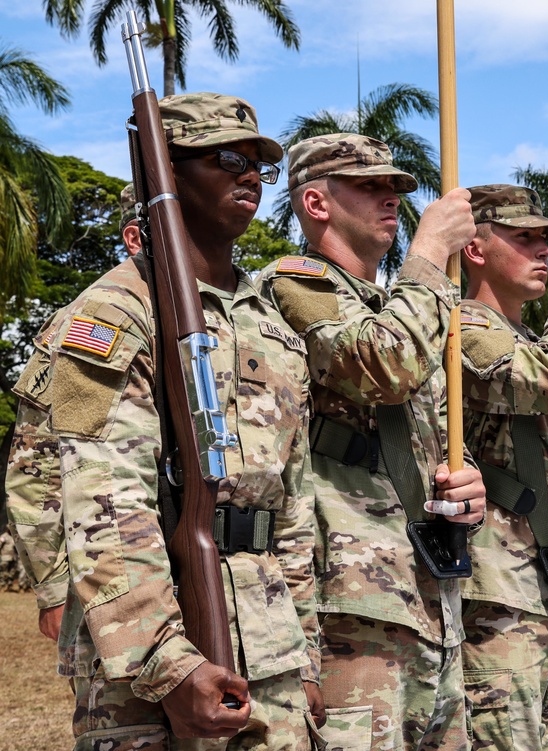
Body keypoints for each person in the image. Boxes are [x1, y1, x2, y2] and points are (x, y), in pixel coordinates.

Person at [45, 93, 324, 749]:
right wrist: (168, 665)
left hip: (272, 650)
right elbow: (103, 503)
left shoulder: (274, 329)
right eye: (227, 157)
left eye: (260, 163)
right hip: (144, 672)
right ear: (162, 173)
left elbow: (295, 508)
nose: (250, 174)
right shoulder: (115, 313)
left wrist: (305, 649)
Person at [254, 133, 486, 751]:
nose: (392, 199)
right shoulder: (294, 284)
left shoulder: (401, 301)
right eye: (370, 187)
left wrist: (466, 486)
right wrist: (432, 249)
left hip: (430, 591)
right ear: (316, 203)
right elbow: (385, 366)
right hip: (352, 605)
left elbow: (420, 436)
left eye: (396, 189)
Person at [457, 184, 548, 750]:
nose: (544, 252)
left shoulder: (526, 337)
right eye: (524, 239)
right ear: (476, 248)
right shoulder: (462, 329)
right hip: (494, 588)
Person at [5, 182, 143, 643]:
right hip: (108, 568)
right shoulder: (87, 320)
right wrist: (52, 589)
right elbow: (33, 465)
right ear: (135, 239)